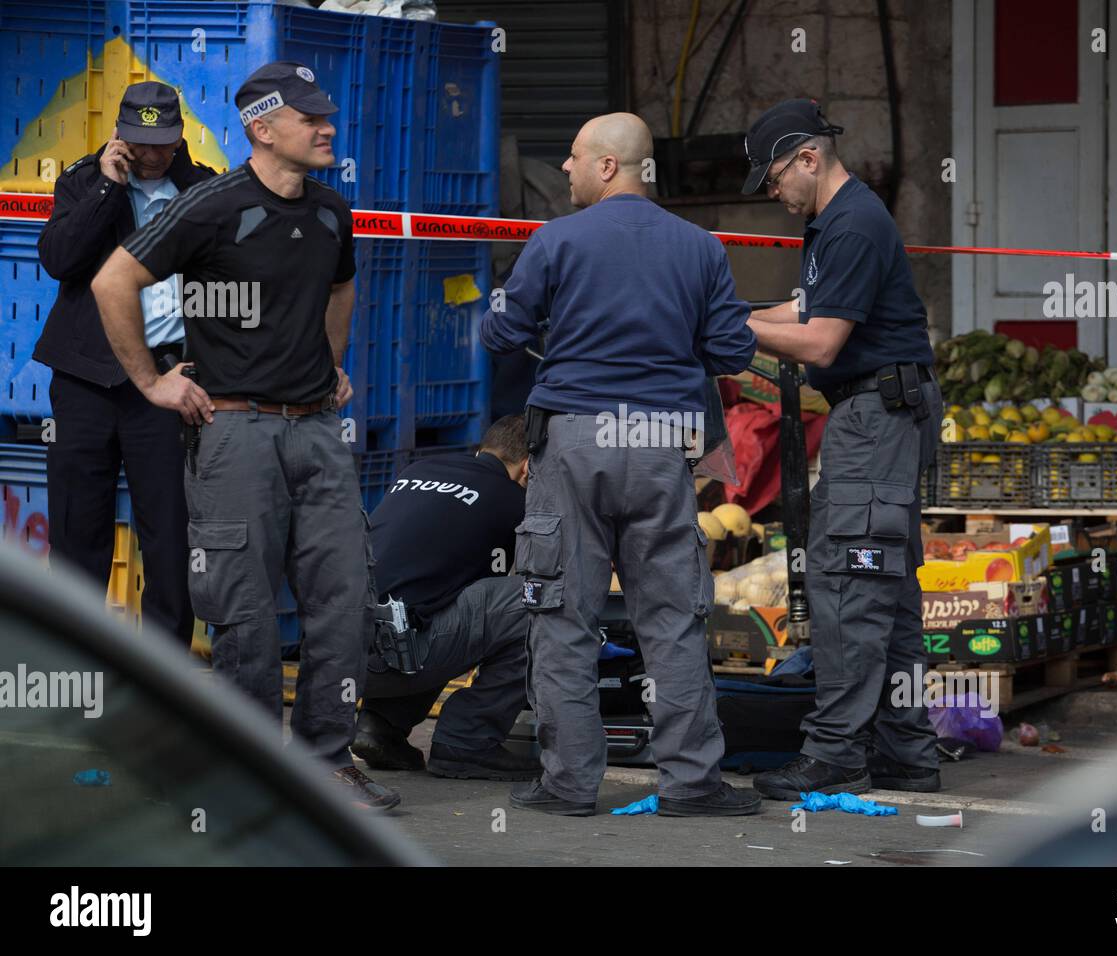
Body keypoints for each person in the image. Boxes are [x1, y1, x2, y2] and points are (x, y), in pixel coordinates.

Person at [90, 62, 397, 811]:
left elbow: (340, 284)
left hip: (318, 432)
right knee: (245, 610)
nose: (328, 128)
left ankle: (328, 760)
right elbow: (112, 281)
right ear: (262, 127)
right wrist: (153, 383)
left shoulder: (331, 210)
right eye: (310, 118)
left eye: (328, 116)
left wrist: (332, 361)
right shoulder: (211, 205)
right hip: (233, 432)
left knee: (342, 598)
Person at [480, 112, 760, 817]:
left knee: (563, 616)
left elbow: (500, 331)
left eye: (574, 158)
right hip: (662, 444)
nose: (566, 170)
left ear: (608, 166)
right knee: (672, 619)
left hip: (572, 444)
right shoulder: (701, 247)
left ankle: (569, 785)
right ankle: (692, 783)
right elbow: (732, 352)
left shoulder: (555, 240)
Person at [741, 99, 944, 800]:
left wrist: (735, 334)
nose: (774, 196)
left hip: (875, 417)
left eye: (773, 181)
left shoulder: (851, 224)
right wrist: (725, 314)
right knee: (886, 592)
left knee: (849, 585)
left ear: (808, 158)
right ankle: (907, 749)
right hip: (883, 413)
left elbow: (821, 340)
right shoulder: (841, 222)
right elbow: (804, 310)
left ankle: (834, 754)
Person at [36, 81, 215, 647]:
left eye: (162, 142)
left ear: (180, 134)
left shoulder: (205, 189)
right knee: (75, 529)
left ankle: (160, 673)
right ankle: (73, 662)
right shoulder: (83, 180)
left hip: (166, 380)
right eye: (140, 142)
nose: (151, 154)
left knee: (169, 535)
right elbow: (59, 261)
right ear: (118, 134)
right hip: (86, 378)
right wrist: (107, 191)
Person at [351, 415, 541, 781]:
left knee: (433, 595)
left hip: (338, 657)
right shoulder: (512, 499)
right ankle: (468, 741)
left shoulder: (421, 468)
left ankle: (380, 726)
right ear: (528, 469)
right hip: (396, 659)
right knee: (536, 601)